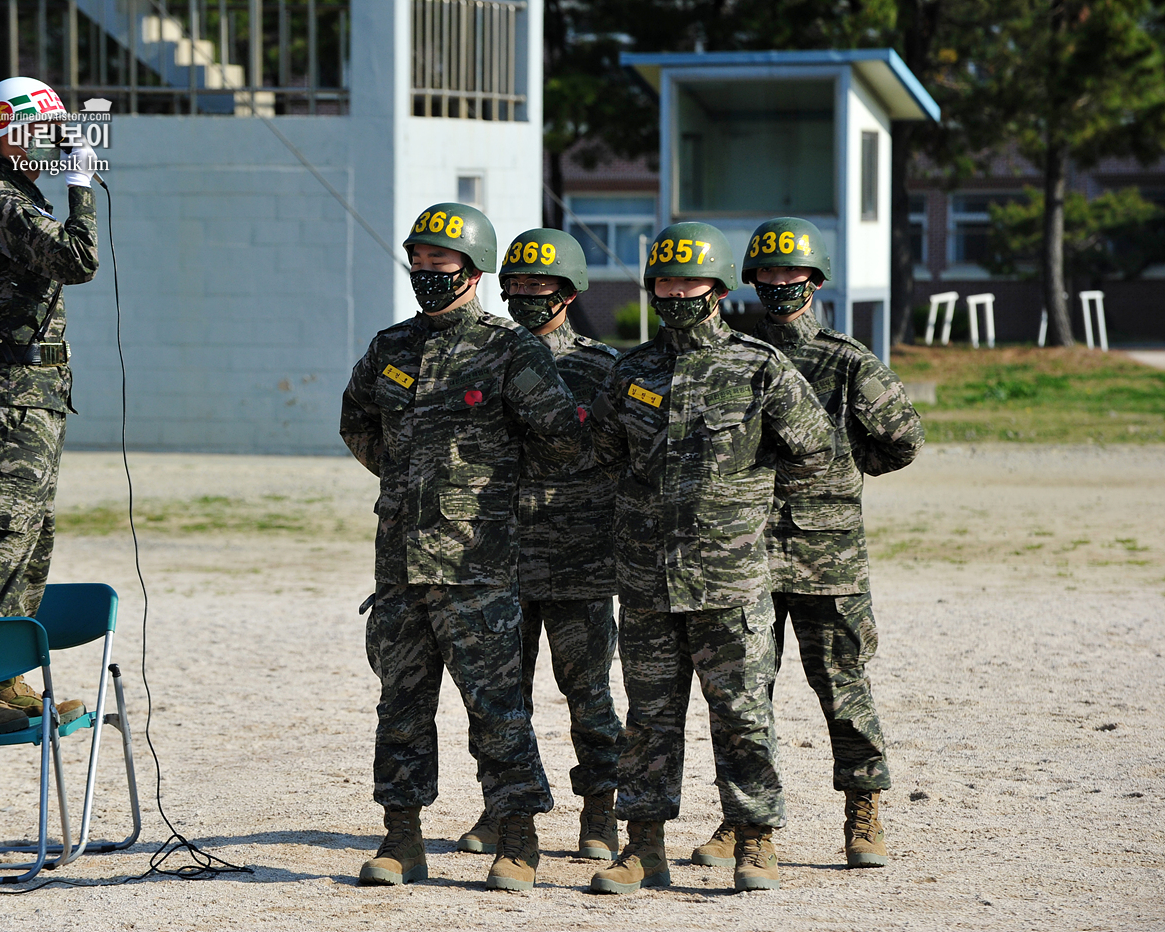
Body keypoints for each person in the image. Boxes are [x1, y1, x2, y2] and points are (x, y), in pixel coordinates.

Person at [340, 203, 587, 892]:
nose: (426, 271)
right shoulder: (390, 346)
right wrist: (403, 476)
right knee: (401, 709)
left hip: (477, 570)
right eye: (417, 259)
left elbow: (562, 439)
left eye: (440, 263)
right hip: (399, 567)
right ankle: (402, 838)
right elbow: (355, 419)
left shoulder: (511, 350)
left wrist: (487, 485)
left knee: (498, 710)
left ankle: (517, 836)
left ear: (473, 273)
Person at [586, 222, 835, 894]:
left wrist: (750, 517)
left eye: (687, 281)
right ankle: (643, 848)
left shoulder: (759, 367)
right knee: (647, 722)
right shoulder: (630, 371)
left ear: (719, 288)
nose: (674, 293)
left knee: (744, 719)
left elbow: (815, 451)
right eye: (663, 281)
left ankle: (755, 843)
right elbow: (602, 454)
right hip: (646, 586)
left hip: (730, 585)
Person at [692, 217, 923, 870]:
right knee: (744, 699)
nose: (779, 283)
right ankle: (742, 821)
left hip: (828, 560)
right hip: (746, 557)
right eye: (767, 272)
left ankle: (863, 811)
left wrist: (847, 470)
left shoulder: (847, 361)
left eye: (791, 272)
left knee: (843, 691)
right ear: (750, 280)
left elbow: (902, 438)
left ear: (815, 279)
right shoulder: (732, 356)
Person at [455, 229, 623, 862]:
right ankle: (505, 807)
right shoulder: (482, 357)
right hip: (497, 559)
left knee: (589, 695)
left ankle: (601, 811)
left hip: (579, 560)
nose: (525, 294)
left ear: (570, 290)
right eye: (516, 283)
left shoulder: (602, 368)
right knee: (500, 698)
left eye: (540, 283)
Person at [0, 76, 103, 735]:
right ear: (8, 132)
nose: (52, 143)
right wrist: (82, 184)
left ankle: (2, 672)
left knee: (31, 541)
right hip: (8, 399)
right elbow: (79, 258)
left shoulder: (20, 198)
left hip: (35, 397)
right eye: (43, 131)